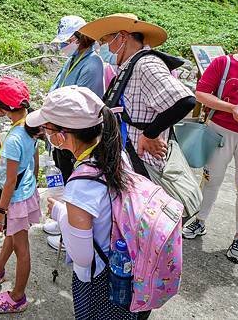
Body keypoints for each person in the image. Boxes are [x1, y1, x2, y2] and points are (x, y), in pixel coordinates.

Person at [28, 85, 138, 319]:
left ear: (63, 134)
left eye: (47, 127)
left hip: (100, 281)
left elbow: (82, 257)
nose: (45, 133)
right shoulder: (117, 154)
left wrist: (59, 212)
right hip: (127, 267)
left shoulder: (81, 183)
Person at [183, 21, 238, 264]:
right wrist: (231, 108)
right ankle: (199, 221)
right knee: (211, 179)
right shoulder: (224, 63)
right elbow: (201, 93)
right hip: (220, 131)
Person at [79, 13, 195, 179]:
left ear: (123, 37)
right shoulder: (128, 67)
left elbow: (185, 100)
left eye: (105, 41)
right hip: (130, 160)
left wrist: (150, 134)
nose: (104, 48)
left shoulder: (145, 64)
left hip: (145, 163)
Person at [0, 76, 40, 314]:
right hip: (26, 192)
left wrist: (0, 212)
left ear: (2, 108)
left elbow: (10, 181)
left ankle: (18, 297)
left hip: (16, 200)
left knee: (22, 249)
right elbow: (35, 162)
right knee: (12, 237)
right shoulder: (30, 126)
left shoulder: (13, 139)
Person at [44, 15, 106, 251]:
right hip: (59, 130)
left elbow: (81, 103)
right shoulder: (74, 58)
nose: (63, 45)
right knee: (63, 175)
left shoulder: (93, 64)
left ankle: (71, 233)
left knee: (73, 180)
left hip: (73, 134)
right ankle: (63, 222)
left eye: (67, 40)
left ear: (80, 37)